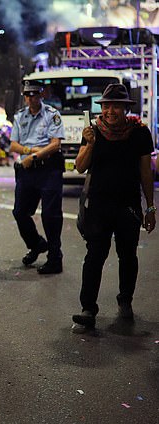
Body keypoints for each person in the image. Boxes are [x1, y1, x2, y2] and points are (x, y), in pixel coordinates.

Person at [71, 84, 155, 329]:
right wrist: (89, 144)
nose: (109, 111)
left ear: (125, 109)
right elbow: (79, 166)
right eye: (106, 106)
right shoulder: (93, 131)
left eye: (115, 106)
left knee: (128, 255)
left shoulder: (139, 132)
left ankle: (125, 300)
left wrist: (150, 208)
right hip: (98, 205)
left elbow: (145, 172)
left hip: (128, 205)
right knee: (94, 255)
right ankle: (88, 308)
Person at [9, 80, 65, 274]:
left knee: (51, 216)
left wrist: (34, 156)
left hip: (49, 168)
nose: (31, 98)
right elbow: (13, 145)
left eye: (35, 94)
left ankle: (55, 258)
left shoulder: (52, 114)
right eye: (28, 95)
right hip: (27, 170)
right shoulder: (19, 117)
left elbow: (55, 144)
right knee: (19, 212)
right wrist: (29, 150)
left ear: (42, 95)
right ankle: (37, 244)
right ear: (24, 97)